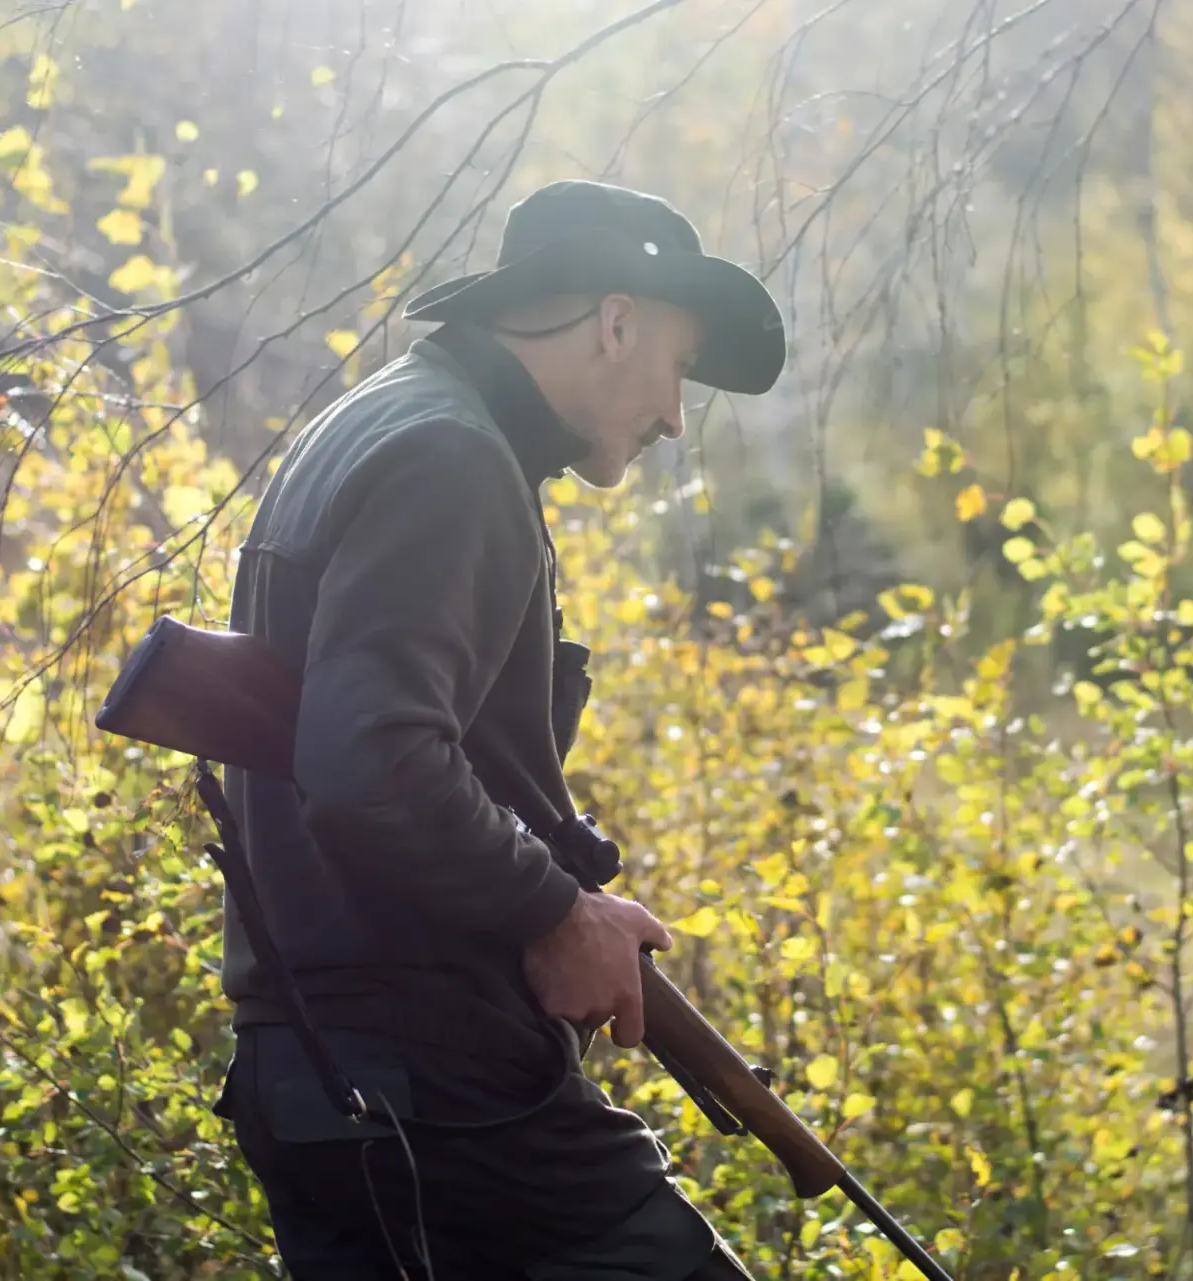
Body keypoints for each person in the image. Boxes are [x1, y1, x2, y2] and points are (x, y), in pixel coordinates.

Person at [208, 180, 786, 1280]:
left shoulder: (380, 419)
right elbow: (369, 764)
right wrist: (555, 907)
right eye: (676, 369)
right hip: (433, 1077)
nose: (674, 416)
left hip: (322, 1074)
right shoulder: (451, 458)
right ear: (614, 323)